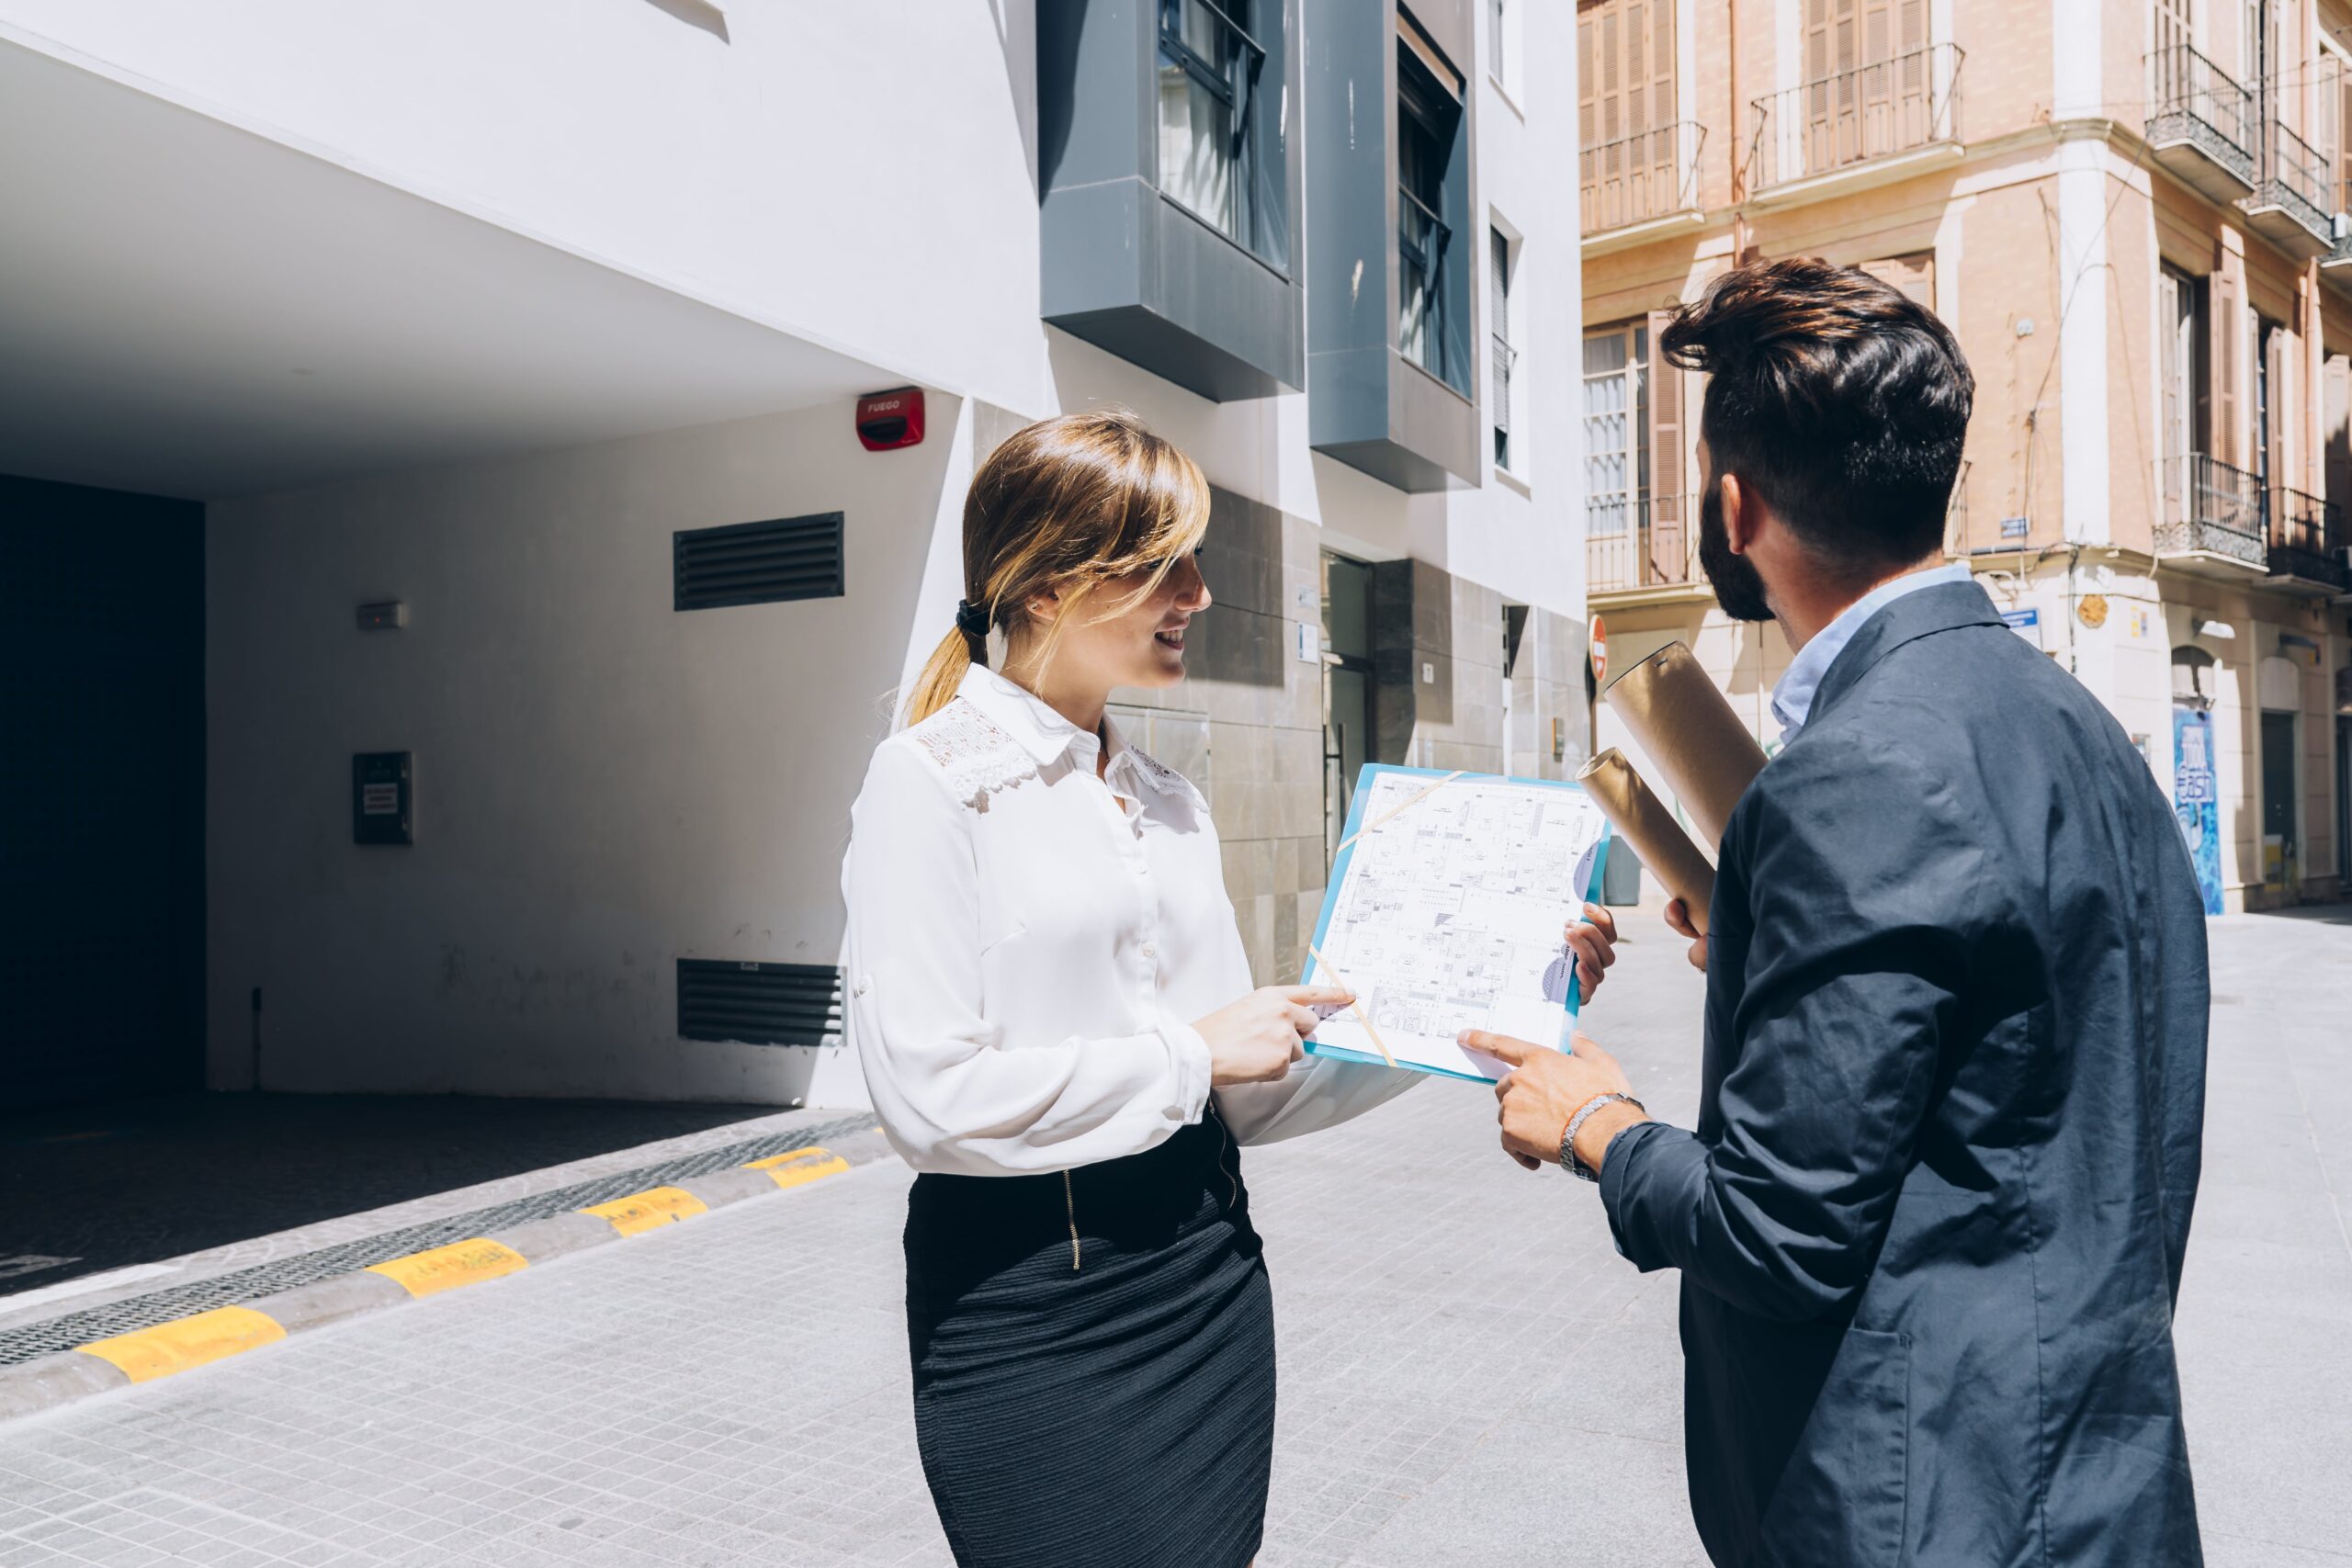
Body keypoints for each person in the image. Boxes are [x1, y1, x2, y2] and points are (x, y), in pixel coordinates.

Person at [1470, 259, 2210, 1566]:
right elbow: (2015, 1057)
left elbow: (1778, 1228)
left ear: (1736, 504)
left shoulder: (1858, 769)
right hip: (2095, 1464)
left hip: (1934, 1504)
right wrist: (1764, 950)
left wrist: (1596, 1124)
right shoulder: (2077, 722)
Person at [842, 409, 1616, 1568]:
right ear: (1046, 584)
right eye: (1164, 564)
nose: (1200, 593)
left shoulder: (1165, 797)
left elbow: (1245, 1092)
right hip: (1032, 1312)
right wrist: (1192, 1057)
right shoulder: (932, 784)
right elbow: (928, 1098)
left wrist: (1489, 1000)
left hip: (1205, 1282)